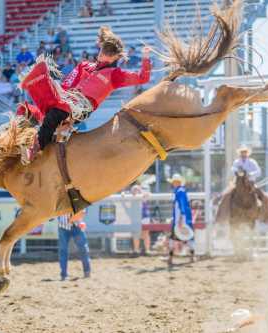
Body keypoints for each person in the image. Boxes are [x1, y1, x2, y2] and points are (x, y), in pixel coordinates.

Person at [22, 26, 151, 161]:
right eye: (102, 50)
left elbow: (143, 78)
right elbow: (67, 84)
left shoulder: (115, 75)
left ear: (115, 57)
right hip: (66, 100)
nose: (102, 54)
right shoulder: (84, 66)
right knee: (26, 110)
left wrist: (146, 57)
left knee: (56, 113)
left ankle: (36, 149)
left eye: (107, 53)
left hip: (82, 108)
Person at [57, 210, 91, 280]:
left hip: (76, 226)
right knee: (63, 251)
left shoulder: (79, 199)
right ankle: (63, 275)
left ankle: (87, 272)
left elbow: (82, 212)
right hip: (63, 227)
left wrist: (70, 220)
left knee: (83, 249)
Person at [167, 174, 193, 265]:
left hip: (180, 219)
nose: (173, 184)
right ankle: (191, 256)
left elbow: (181, 205)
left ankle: (170, 257)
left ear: (176, 182)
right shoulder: (181, 191)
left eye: (173, 182)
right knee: (187, 238)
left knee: (173, 238)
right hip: (182, 218)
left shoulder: (179, 192)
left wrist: (181, 217)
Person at [131, 184, 152, 255]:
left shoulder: (145, 190)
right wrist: (135, 191)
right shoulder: (132, 193)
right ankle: (136, 250)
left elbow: (147, 194)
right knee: (136, 233)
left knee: (146, 233)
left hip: (144, 215)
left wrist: (140, 191)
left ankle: (147, 250)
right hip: (136, 216)